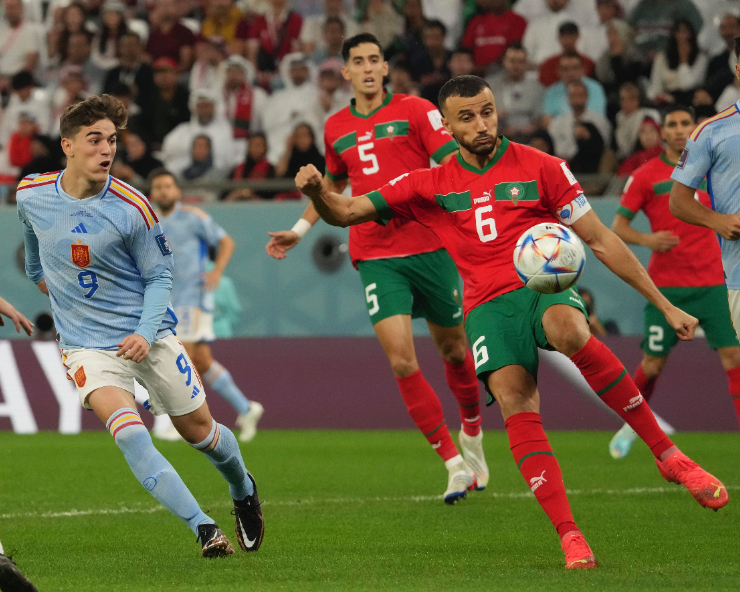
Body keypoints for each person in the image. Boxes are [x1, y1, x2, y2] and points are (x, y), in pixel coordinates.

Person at [296, 74, 728, 568]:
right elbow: (347, 210)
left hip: (543, 289)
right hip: (486, 308)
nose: (482, 124)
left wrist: (665, 304)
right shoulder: (427, 184)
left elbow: (603, 239)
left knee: (569, 329)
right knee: (513, 397)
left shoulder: (543, 167)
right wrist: (317, 194)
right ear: (445, 125)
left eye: (487, 111)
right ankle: (569, 534)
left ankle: (669, 456)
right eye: (467, 117)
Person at [16, 95, 264, 557]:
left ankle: (242, 488)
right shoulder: (31, 192)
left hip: (146, 335)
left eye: (112, 140)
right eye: (95, 140)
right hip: (85, 345)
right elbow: (30, 241)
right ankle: (205, 528)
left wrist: (145, 333)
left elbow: (158, 276)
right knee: (129, 431)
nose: (106, 149)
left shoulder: (133, 206)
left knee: (202, 435)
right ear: (67, 145)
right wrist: (37, 276)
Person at [265, 34, 489, 504]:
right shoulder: (334, 126)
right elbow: (333, 186)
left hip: (429, 244)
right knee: (402, 359)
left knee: (454, 352)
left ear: (385, 67)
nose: (367, 68)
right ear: (345, 73)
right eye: (357, 62)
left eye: (373, 60)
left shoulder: (417, 110)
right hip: (374, 253)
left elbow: (451, 161)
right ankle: (452, 463)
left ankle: (472, 433)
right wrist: (299, 229)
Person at [610, 104, 740, 458]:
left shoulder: (716, 164)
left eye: (686, 123)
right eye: (673, 124)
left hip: (715, 281)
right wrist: (648, 240)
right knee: (652, 364)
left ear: (695, 127)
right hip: (667, 287)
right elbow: (617, 227)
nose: (680, 129)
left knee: (734, 356)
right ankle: (630, 424)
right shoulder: (645, 175)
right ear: (662, 132)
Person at [149, 168, 264, 441]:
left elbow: (226, 242)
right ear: (153, 193)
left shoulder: (193, 217)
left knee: (182, 358)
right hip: (167, 301)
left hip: (193, 299)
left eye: (168, 185)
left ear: (177, 191)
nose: (164, 191)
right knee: (200, 361)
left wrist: (217, 272)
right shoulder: (149, 222)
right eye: (159, 186)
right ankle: (246, 408)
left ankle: (183, 422)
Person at [670, 36, 740, 345]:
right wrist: (719, 221)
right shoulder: (711, 131)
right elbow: (678, 202)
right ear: (738, 70)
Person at [485, 44, 544, 144]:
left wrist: (533, 127)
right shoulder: (488, 86)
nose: (516, 66)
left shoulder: (536, 87)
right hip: (496, 136)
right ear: (504, 61)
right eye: (512, 61)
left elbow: (540, 118)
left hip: (527, 137)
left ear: (526, 63)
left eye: (520, 62)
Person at [548, 80, 611, 173]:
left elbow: (604, 147)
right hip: (561, 166)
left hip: (590, 165)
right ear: (568, 98)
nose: (577, 99)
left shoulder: (599, 121)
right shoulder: (557, 122)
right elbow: (551, 146)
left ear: (587, 97)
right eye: (573, 95)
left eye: (580, 95)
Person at [647, 19, 708, 105]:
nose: (681, 37)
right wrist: (656, 98)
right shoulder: (662, 57)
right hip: (666, 101)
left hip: (689, 100)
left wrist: (683, 60)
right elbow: (655, 85)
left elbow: (687, 85)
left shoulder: (701, 58)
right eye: (678, 32)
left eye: (685, 32)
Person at [461, 0, 527, 75]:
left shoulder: (518, 20)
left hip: (503, 70)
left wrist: (490, 67)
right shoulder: (476, 21)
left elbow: (514, 48)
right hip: (476, 72)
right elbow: (466, 49)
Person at [538, 21, 595, 87]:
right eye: (564, 36)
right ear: (559, 38)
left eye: (571, 36)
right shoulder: (548, 65)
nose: (567, 40)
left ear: (577, 36)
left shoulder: (588, 63)